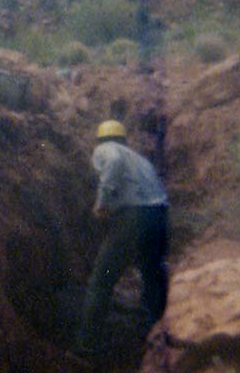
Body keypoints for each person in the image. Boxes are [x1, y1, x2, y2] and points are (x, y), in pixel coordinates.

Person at [73, 119, 171, 358]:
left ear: (100, 139)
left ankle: (86, 349)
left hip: (133, 218)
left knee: (101, 281)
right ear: (124, 139)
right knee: (152, 274)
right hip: (159, 216)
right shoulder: (140, 159)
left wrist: (102, 203)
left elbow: (113, 163)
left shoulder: (107, 150)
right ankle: (153, 338)